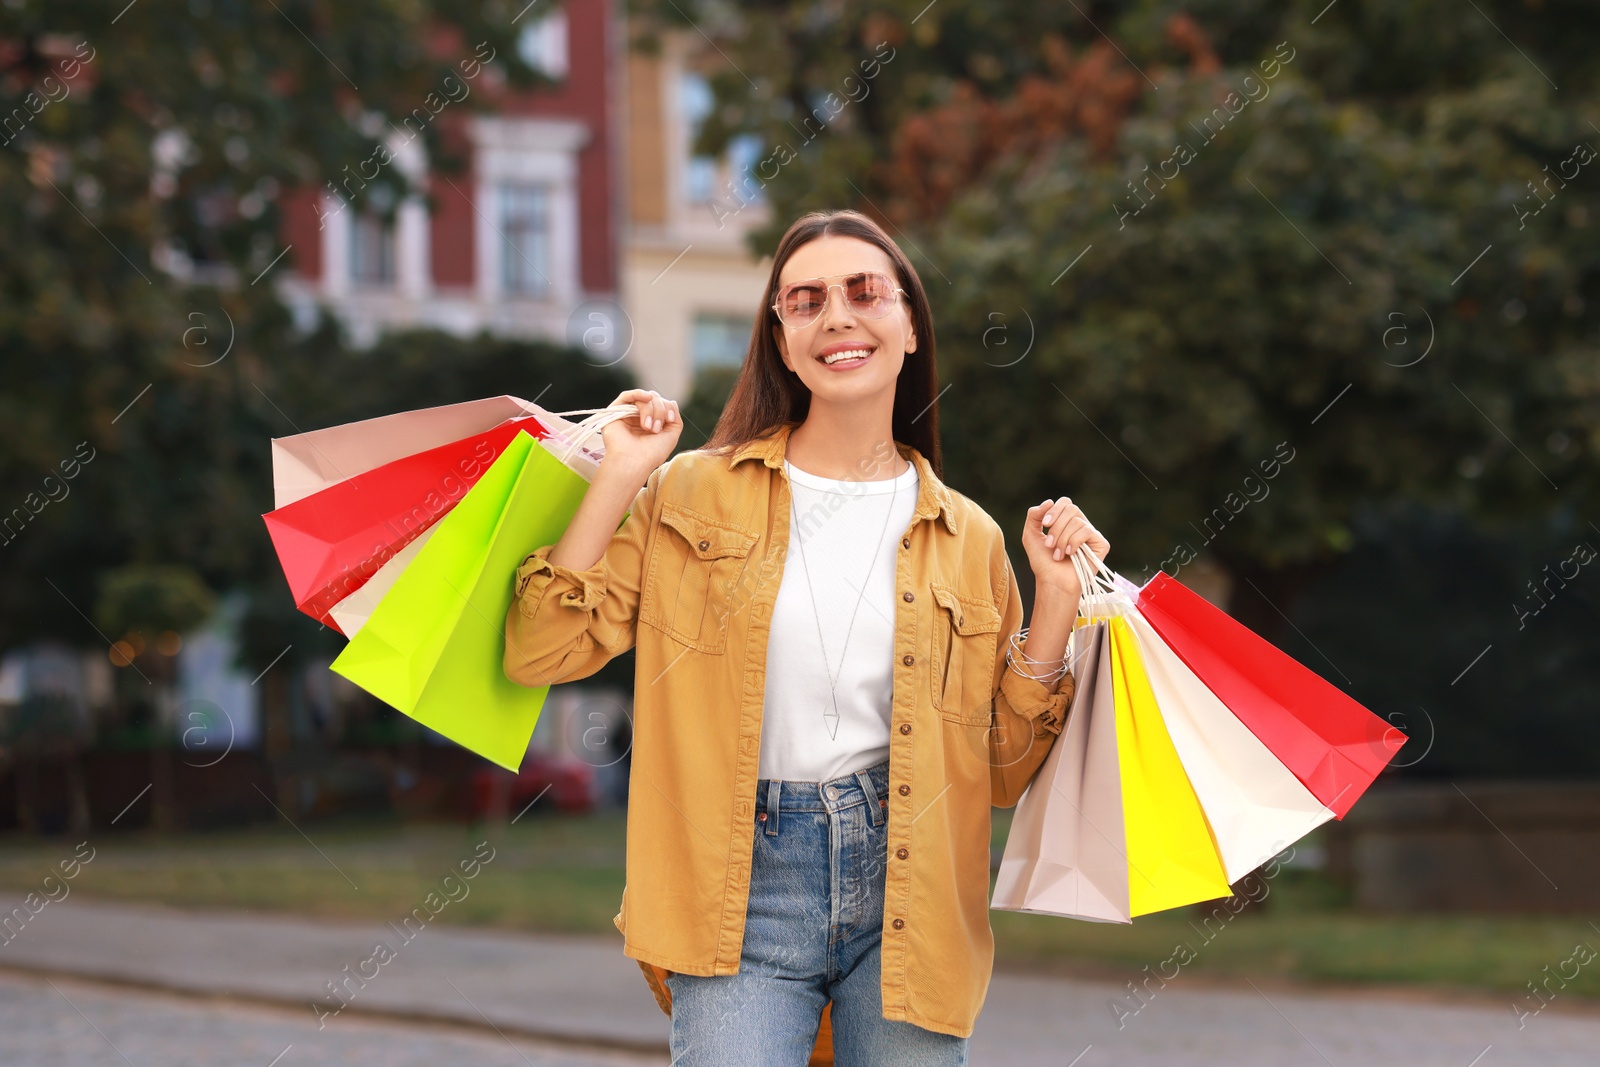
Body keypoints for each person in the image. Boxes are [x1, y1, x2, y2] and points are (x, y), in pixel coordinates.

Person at [504, 209, 1109, 1066]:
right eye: (805, 300)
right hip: (737, 883)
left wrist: (1054, 600)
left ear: (908, 326)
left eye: (865, 293)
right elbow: (541, 647)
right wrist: (622, 477)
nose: (837, 316)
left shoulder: (969, 538)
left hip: (914, 889)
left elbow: (1003, 770)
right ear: (782, 340)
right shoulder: (692, 493)